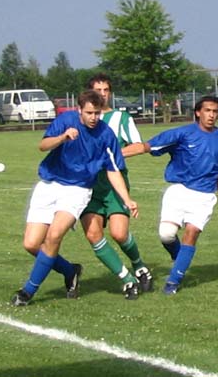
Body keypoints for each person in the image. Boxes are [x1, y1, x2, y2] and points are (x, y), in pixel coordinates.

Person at [11, 90, 138, 306]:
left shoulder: (105, 134)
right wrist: (62, 137)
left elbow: (113, 169)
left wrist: (127, 199)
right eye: (89, 113)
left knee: (54, 236)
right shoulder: (65, 120)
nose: (93, 118)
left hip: (77, 190)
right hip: (49, 185)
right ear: (79, 109)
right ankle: (70, 271)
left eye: (97, 113)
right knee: (31, 244)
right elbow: (43, 146)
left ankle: (28, 291)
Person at [143, 96, 218, 295]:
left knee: (191, 232)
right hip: (178, 191)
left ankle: (173, 282)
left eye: (215, 111)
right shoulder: (183, 133)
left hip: (204, 196)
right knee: (166, 234)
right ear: (198, 112)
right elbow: (148, 146)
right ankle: (180, 260)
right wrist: (117, 154)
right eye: (207, 110)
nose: (211, 115)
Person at [81, 73, 153, 300]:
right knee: (93, 234)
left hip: (115, 184)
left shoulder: (121, 118)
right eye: (98, 90)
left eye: (106, 90)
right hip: (89, 185)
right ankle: (126, 278)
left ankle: (139, 265)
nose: (102, 94)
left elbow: (140, 146)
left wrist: (112, 155)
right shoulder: (83, 120)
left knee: (119, 234)